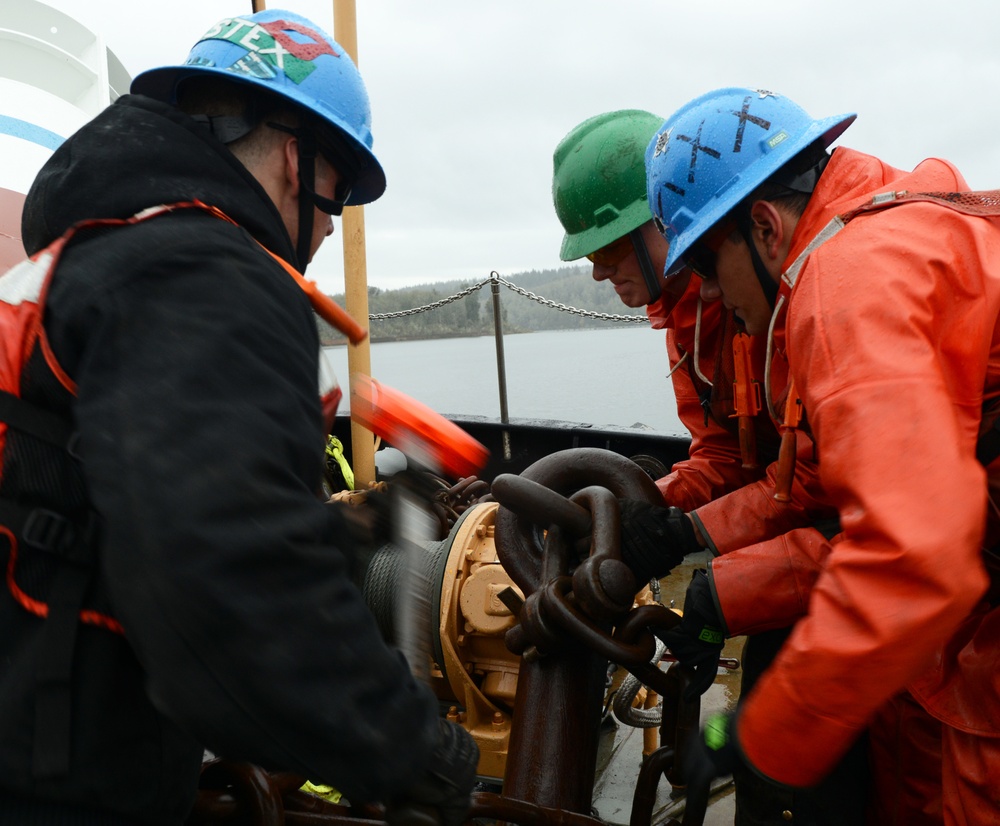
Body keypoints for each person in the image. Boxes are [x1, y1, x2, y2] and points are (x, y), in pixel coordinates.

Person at [0, 9, 477, 825]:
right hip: (58, 772)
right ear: (297, 158)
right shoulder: (203, 273)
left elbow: (113, 505)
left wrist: (343, 532)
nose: (331, 224)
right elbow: (221, 583)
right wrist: (405, 747)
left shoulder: (107, 252)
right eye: (341, 193)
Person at [645, 86, 1000, 825]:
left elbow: (914, 552)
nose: (708, 293)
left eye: (708, 267)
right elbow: (837, 489)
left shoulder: (842, 287)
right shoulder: (902, 230)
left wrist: (763, 735)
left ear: (764, 226)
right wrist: (697, 547)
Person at [553, 110, 868, 826]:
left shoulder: (798, 294)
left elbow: (829, 498)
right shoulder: (691, 313)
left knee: (801, 765)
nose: (598, 271)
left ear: (659, 225)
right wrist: (651, 515)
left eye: (606, 247)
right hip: (807, 562)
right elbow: (728, 455)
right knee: (761, 736)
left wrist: (705, 570)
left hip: (842, 569)